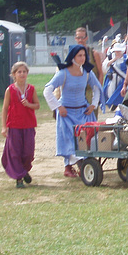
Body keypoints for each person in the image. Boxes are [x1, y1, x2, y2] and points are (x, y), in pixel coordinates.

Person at [43, 45, 103, 178]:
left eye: (84, 56)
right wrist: (58, 106)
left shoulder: (87, 72)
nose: (82, 58)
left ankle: (81, 166)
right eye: (79, 56)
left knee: (86, 139)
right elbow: (47, 90)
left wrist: (93, 104)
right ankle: (76, 167)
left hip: (83, 111)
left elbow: (97, 88)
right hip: (66, 113)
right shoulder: (63, 73)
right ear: (73, 57)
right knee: (69, 140)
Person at [1, 62, 40, 188]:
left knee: (28, 152)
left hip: (28, 125)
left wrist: (29, 105)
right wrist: (4, 127)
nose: (22, 74)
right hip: (14, 125)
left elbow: (37, 105)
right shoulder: (10, 90)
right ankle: (19, 178)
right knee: (15, 152)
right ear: (14, 74)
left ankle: (24, 171)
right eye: (19, 72)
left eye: (24, 71)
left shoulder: (31, 89)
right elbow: (5, 108)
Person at [101, 41, 127, 111]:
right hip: (112, 78)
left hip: (122, 79)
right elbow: (104, 67)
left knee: (119, 94)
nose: (117, 52)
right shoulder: (110, 57)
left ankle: (116, 105)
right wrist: (114, 59)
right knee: (110, 92)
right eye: (116, 51)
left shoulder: (126, 58)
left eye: (119, 51)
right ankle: (111, 104)